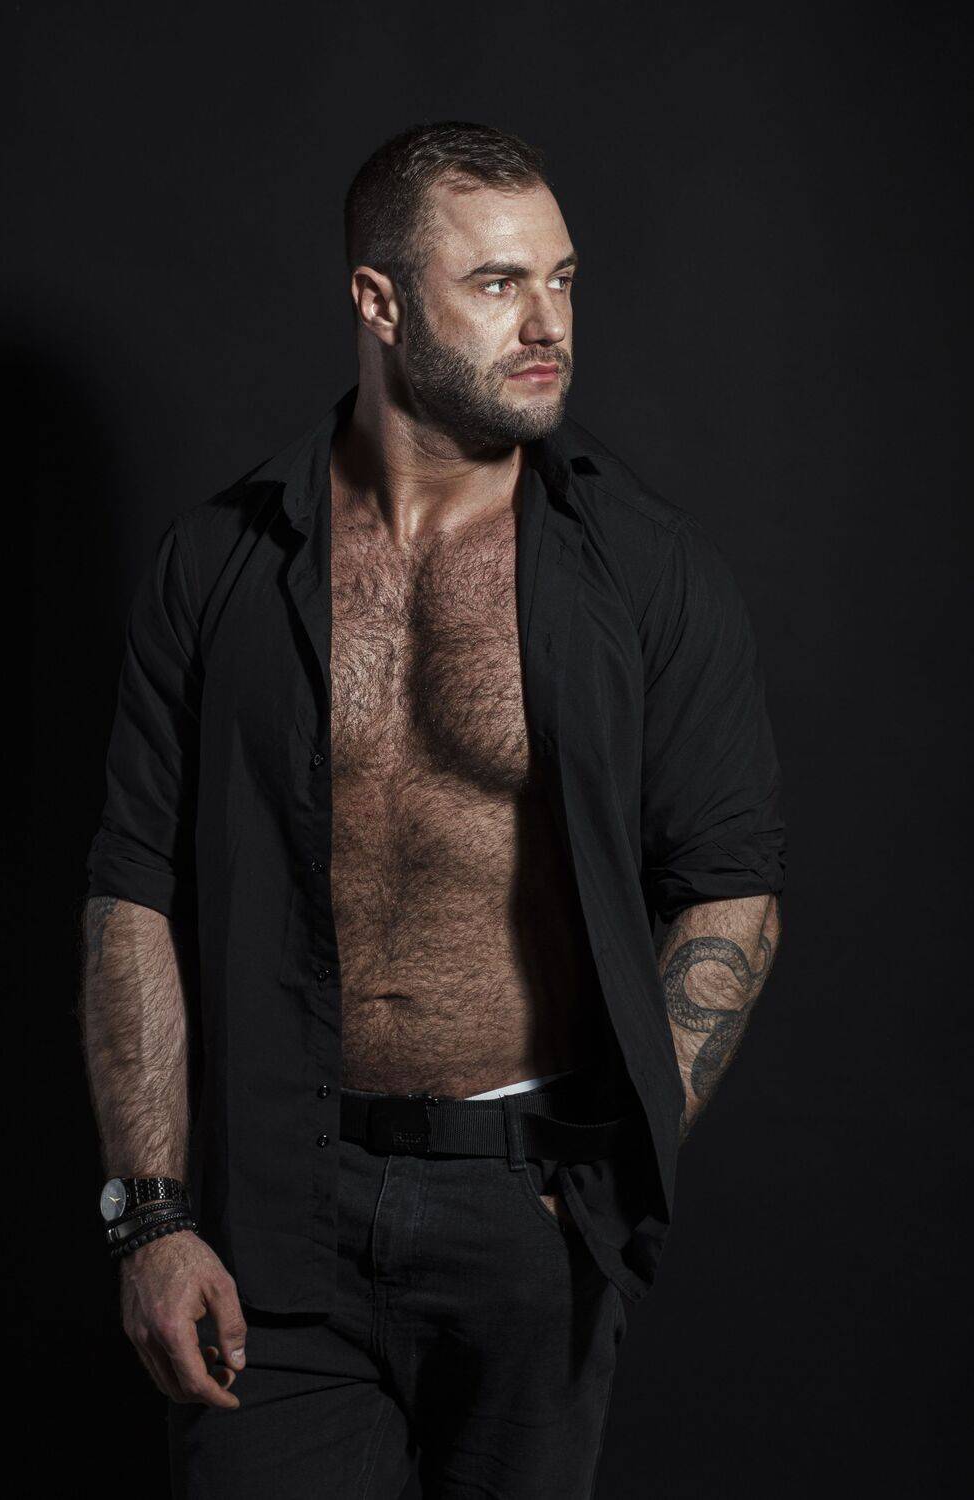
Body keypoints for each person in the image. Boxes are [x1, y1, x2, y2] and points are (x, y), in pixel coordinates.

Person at [79, 119, 787, 1498]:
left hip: (530, 1216)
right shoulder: (217, 567)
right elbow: (134, 887)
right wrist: (149, 1217)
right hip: (272, 1213)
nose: (549, 325)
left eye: (563, 280)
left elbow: (731, 882)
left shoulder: (647, 573)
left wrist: (619, 1162)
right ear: (380, 301)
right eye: (499, 283)